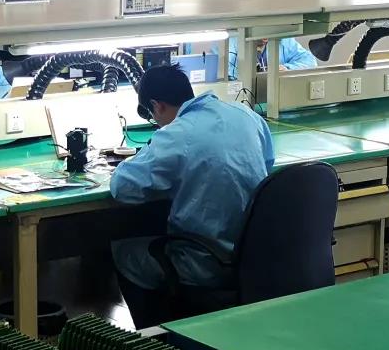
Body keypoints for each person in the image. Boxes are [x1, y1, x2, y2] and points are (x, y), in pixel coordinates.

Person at [110, 66, 274, 328]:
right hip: (253, 256)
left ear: (157, 106)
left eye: (153, 116)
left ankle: (157, 340)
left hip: (205, 263)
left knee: (123, 254)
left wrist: (136, 159)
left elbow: (122, 187)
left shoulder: (176, 134)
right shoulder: (246, 115)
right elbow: (267, 164)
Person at [226, 36, 316, 80]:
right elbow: (223, 72)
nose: (265, 38)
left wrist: (287, 68)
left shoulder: (283, 39)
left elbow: (310, 61)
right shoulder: (231, 42)